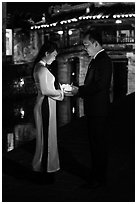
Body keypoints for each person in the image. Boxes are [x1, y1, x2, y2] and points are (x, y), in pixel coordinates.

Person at [69, 28, 112, 188]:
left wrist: (79, 90)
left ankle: (99, 179)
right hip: (94, 109)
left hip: (99, 111)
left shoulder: (104, 61)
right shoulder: (96, 59)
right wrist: (79, 89)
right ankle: (96, 176)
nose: (84, 48)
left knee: (99, 145)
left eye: (86, 44)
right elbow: (93, 84)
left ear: (95, 43)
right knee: (94, 145)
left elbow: (100, 85)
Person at [32, 41, 64, 182]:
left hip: (44, 104)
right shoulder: (42, 69)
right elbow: (46, 90)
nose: (55, 58)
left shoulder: (39, 67)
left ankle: (43, 169)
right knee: (47, 138)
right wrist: (61, 93)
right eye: (54, 55)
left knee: (45, 138)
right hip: (45, 105)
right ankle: (45, 172)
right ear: (47, 53)